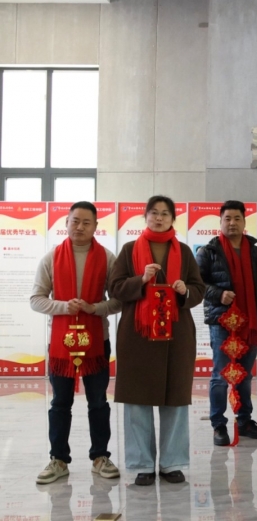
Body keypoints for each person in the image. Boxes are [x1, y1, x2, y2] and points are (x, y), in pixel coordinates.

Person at [110, 195, 206, 486]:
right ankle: (142, 464)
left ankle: (171, 463)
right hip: (137, 335)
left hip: (176, 335)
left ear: (173, 219)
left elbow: (199, 289)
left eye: (165, 213)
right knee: (137, 400)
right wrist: (141, 279)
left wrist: (184, 290)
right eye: (154, 213)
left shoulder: (184, 251)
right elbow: (115, 288)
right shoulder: (129, 250)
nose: (159, 218)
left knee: (175, 399)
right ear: (146, 216)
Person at [31, 202, 122, 484]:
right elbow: (36, 299)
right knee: (60, 402)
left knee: (98, 401)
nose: (80, 227)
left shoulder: (108, 259)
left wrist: (95, 308)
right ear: (66, 223)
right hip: (61, 345)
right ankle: (58, 460)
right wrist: (62, 306)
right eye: (75, 221)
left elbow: (119, 300)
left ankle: (100, 457)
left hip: (97, 342)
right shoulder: (51, 258)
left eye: (86, 222)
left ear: (96, 226)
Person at [196, 200, 257, 446]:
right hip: (222, 322)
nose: (232, 223)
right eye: (227, 218)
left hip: (251, 322)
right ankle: (218, 424)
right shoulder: (208, 251)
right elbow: (197, 284)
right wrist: (218, 294)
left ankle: (244, 420)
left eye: (237, 218)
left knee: (245, 375)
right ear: (220, 222)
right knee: (221, 374)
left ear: (244, 221)